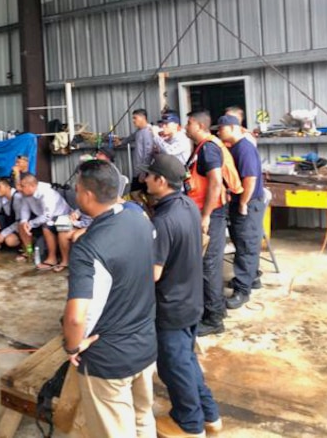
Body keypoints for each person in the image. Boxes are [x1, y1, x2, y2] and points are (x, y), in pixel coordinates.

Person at [63, 160, 157, 438]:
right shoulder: (138, 217)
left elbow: (77, 316)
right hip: (145, 345)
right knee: (142, 419)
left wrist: (73, 346)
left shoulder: (88, 249)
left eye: (77, 189)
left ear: (87, 196)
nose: (75, 193)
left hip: (109, 361)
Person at [143, 155, 223, 438]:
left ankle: (189, 424)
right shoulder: (188, 205)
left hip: (171, 306)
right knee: (186, 360)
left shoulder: (163, 221)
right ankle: (210, 415)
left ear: (160, 181)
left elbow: (152, 273)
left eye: (149, 175)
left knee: (173, 366)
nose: (144, 179)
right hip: (191, 299)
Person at [184, 110, 241, 337]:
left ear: (198, 125)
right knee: (207, 264)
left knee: (209, 266)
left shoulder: (208, 148)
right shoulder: (202, 148)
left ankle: (214, 318)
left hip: (212, 214)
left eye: (188, 123)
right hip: (207, 211)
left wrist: (205, 216)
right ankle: (215, 311)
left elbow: (216, 183)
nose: (186, 127)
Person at [217, 114, 266, 310]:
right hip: (242, 202)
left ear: (232, 128)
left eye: (221, 129)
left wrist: (243, 203)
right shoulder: (235, 147)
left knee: (246, 245)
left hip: (249, 203)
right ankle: (252, 278)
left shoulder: (244, 148)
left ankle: (242, 291)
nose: (218, 132)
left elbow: (250, 179)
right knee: (243, 242)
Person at [17, 174, 73, 271]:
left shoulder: (46, 193)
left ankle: (64, 261)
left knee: (47, 225)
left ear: (32, 186)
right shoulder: (26, 195)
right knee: (21, 224)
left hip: (63, 215)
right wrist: (24, 221)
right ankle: (29, 253)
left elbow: (47, 215)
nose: (20, 189)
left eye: (23, 186)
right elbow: (24, 210)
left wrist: (30, 224)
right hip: (44, 217)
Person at [118, 109, 154, 198]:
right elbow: (131, 137)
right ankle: (147, 211)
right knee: (140, 194)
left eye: (135, 118)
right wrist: (121, 142)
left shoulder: (148, 132)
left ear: (143, 118)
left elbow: (148, 153)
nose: (133, 121)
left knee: (138, 194)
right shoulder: (139, 131)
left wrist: (144, 172)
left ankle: (148, 211)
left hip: (144, 171)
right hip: (138, 170)